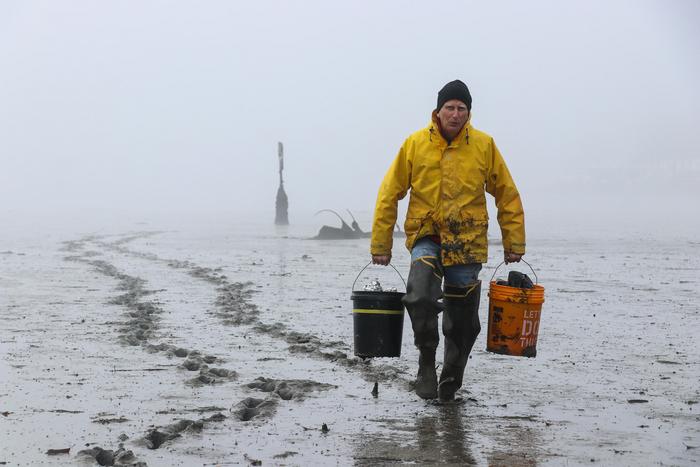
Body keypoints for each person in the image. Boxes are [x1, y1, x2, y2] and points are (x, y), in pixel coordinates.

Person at [370, 80, 526, 401]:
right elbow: (389, 193)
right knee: (420, 295)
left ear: (469, 113)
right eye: (450, 108)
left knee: (463, 321)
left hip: (468, 241)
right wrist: (380, 245)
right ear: (437, 111)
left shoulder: (484, 146)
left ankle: (451, 376)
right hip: (426, 235)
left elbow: (507, 194)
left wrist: (514, 242)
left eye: (461, 108)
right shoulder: (415, 144)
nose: (455, 114)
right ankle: (426, 360)